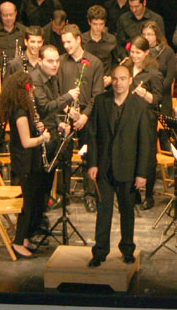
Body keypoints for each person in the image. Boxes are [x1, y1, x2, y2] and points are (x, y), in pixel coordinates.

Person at [87, 65, 152, 267]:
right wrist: (92, 163)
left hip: (129, 169)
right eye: (115, 79)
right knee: (103, 211)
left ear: (130, 81)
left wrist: (142, 173)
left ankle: (127, 249)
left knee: (127, 212)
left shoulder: (140, 106)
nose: (118, 83)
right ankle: (100, 252)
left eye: (123, 79)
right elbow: (93, 135)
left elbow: (145, 143)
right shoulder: (101, 101)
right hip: (104, 168)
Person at [0, 70, 50, 258]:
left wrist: (38, 129)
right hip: (24, 163)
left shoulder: (24, 110)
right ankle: (18, 242)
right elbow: (26, 142)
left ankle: (25, 238)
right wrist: (42, 138)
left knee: (31, 200)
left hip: (29, 161)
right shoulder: (19, 113)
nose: (34, 89)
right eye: (31, 86)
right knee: (26, 204)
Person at [58, 24, 104, 212]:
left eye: (69, 42)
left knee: (89, 156)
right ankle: (63, 194)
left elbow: (98, 95)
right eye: (63, 43)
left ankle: (90, 195)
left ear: (78, 40)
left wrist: (84, 115)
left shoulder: (95, 63)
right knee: (64, 155)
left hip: (88, 115)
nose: (66, 46)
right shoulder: (60, 62)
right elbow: (58, 91)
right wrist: (69, 111)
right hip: (66, 112)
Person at [31, 45, 78, 227]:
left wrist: (59, 123)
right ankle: (35, 222)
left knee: (47, 180)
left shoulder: (51, 77)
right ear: (40, 61)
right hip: (39, 138)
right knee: (40, 183)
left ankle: (41, 217)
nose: (55, 64)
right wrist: (68, 96)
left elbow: (51, 110)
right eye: (50, 61)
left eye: (57, 61)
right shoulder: (36, 79)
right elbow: (44, 107)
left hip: (50, 134)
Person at [123, 36, 163, 211]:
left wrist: (145, 95)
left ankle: (149, 195)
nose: (134, 56)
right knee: (131, 153)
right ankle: (134, 193)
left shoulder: (153, 73)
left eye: (138, 53)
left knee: (147, 156)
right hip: (128, 116)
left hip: (146, 119)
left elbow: (158, 98)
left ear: (147, 53)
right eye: (132, 52)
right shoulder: (126, 67)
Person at [141, 20, 175, 116]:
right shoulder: (140, 51)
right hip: (144, 95)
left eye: (149, 34)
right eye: (144, 34)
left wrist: (156, 91)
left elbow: (170, 77)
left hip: (163, 95)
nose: (146, 37)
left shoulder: (168, 51)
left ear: (156, 35)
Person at [81, 5, 118, 88]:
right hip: (86, 82)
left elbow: (116, 62)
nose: (98, 27)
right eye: (95, 24)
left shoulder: (111, 40)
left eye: (101, 24)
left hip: (106, 82)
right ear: (89, 22)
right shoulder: (81, 40)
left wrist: (111, 77)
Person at [0, 1, 26, 69]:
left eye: (11, 14)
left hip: (19, 69)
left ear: (16, 13)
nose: (8, 18)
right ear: (0, 15)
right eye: (5, 15)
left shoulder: (23, 30)